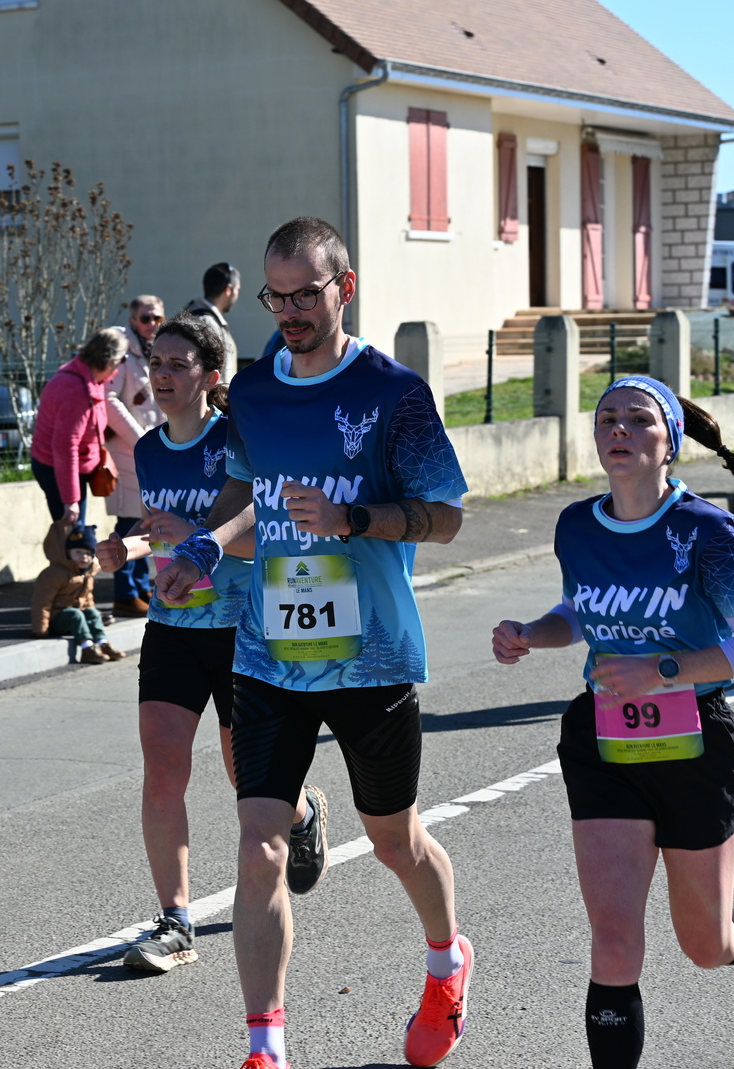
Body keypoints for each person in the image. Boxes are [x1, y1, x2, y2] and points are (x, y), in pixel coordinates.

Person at [156, 217, 470, 1069]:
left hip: (373, 655)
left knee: (396, 839)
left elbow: (446, 516)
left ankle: (447, 964)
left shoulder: (393, 393)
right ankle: (266, 1047)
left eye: (306, 293)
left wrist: (352, 518)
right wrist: (202, 549)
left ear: (344, 288)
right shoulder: (254, 394)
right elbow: (245, 500)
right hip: (269, 652)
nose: (290, 310)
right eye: (277, 295)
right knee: (258, 842)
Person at [492, 376, 734, 1069]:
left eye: (639, 419)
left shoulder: (708, 532)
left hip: (696, 741)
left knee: (707, 945)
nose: (620, 429)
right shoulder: (577, 525)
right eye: (608, 417)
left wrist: (664, 670)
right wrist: (531, 632)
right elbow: (579, 611)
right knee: (613, 943)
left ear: (669, 442)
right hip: (604, 739)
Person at [95, 311, 326, 976]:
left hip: (240, 628)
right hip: (173, 627)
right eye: (155, 364)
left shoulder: (236, 443)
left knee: (242, 773)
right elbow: (159, 531)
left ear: (210, 376)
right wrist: (128, 548)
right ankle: (175, 921)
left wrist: (196, 533)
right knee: (163, 769)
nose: (162, 376)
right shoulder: (148, 449)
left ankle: (303, 813)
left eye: (178, 365)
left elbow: (265, 538)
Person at [103, 299, 167, 620]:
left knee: (147, 519)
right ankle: (125, 593)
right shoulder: (123, 351)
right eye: (145, 317)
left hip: (152, 451)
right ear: (132, 320)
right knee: (129, 521)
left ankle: (140, 587)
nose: (152, 323)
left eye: (158, 317)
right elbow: (109, 399)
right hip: (130, 450)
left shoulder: (155, 348)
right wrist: (139, 438)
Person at [29, 328, 128, 528]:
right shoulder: (75, 389)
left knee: (75, 533)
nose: (121, 365)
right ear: (111, 361)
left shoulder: (89, 376)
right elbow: (65, 448)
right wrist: (70, 500)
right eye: (123, 359)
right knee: (74, 535)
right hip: (57, 469)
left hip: (73, 468)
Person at [31, 520, 122, 664]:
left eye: (88, 553)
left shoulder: (88, 573)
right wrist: (40, 630)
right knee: (75, 614)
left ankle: (102, 643)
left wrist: (96, 620)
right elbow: (42, 603)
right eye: (78, 552)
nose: (84, 557)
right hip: (56, 621)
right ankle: (87, 648)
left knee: (91, 612)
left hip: (75, 620)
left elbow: (88, 600)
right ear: (68, 553)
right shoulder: (53, 574)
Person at [187, 262, 240, 379]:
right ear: (228, 290)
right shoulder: (208, 324)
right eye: (237, 289)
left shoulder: (195, 318)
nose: (237, 295)